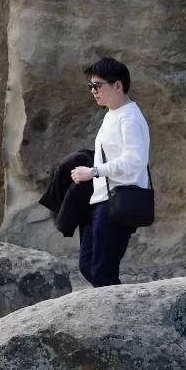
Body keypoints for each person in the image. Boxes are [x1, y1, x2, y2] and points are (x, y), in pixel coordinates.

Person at [68, 56, 150, 286]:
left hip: (119, 201)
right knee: (88, 266)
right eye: (90, 86)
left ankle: (124, 318)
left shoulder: (130, 118)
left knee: (103, 271)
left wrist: (93, 171)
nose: (93, 91)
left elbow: (135, 161)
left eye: (97, 86)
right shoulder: (111, 115)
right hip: (101, 200)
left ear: (117, 85)